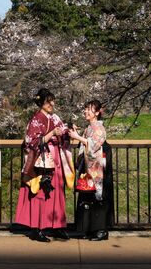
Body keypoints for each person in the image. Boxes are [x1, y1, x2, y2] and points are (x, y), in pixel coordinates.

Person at [15, 89, 75, 242]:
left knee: (57, 193)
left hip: (56, 160)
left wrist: (68, 133)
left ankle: (57, 226)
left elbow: (62, 133)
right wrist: (52, 133)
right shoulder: (36, 119)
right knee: (40, 193)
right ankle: (36, 228)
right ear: (41, 102)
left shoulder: (55, 117)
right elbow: (31, 142)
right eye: (49, 101)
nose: (52, 104)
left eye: (52, 101)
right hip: (42, 162)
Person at [69, 99, 114, 241]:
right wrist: (78, 136)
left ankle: (101, 230)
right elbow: (87, 145)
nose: (86, 111)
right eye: (86, 108)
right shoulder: (89, 128)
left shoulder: (99, 128)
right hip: (91, 166)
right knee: (88, 196)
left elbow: (94, 145)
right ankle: (88, 228)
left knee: (98, 195)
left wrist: (78, 137)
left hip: (98, 166)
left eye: (89, 109)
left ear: (97, 113)